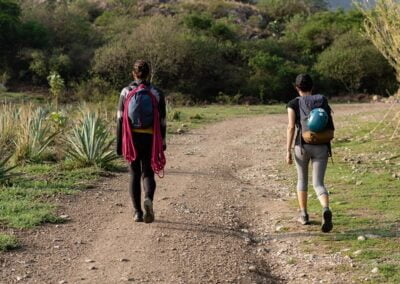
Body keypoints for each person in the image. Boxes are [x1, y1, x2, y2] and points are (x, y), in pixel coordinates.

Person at [116, 60, 167, 223]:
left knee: (134, 173)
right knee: (148, 172)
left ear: (133, 73)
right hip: (150, 138)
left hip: (131, 139)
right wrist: (162, 143)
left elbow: (119, 119)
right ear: (149, 73)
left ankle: (137, 212)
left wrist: (119, 144)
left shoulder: (126, 91)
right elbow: (163, 121)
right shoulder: (157, 92)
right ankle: (149, 199)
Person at [286, 74, 334, 233]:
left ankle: (304, 215)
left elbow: (291, 127)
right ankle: (325, 208)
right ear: (312, 87)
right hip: (321, 146)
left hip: (302, 146)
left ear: (296, 87)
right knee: (318, 183)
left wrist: (287, 150)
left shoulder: (293, 103)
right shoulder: (322, 101)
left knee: (302, 180)